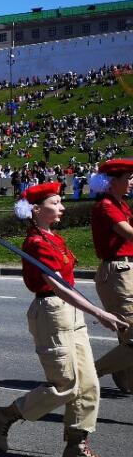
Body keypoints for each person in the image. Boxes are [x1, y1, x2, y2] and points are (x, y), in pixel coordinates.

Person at [0, 182, 127, 457]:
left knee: (88, 384)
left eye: (61, 202)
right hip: (51, 312)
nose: (62, 207)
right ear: (36, 210)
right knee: (66, 384)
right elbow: (57, 288)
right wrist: (99, 312)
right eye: (55, 202)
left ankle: (77, 446)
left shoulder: (54, 239)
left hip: (71, 312)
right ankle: (5, 415)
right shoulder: (36, 243)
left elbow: (68, 284)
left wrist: (88, 310)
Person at [89, 158, 133, 392]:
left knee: (128, 334)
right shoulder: (106, 206)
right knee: (131, 335)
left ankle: (127, 381)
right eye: (128, 178)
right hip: (117, 272)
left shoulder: (121, 204)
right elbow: (129, 234)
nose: (132, 182)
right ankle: (90, 375)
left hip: (126, 269)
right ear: (111, 182)